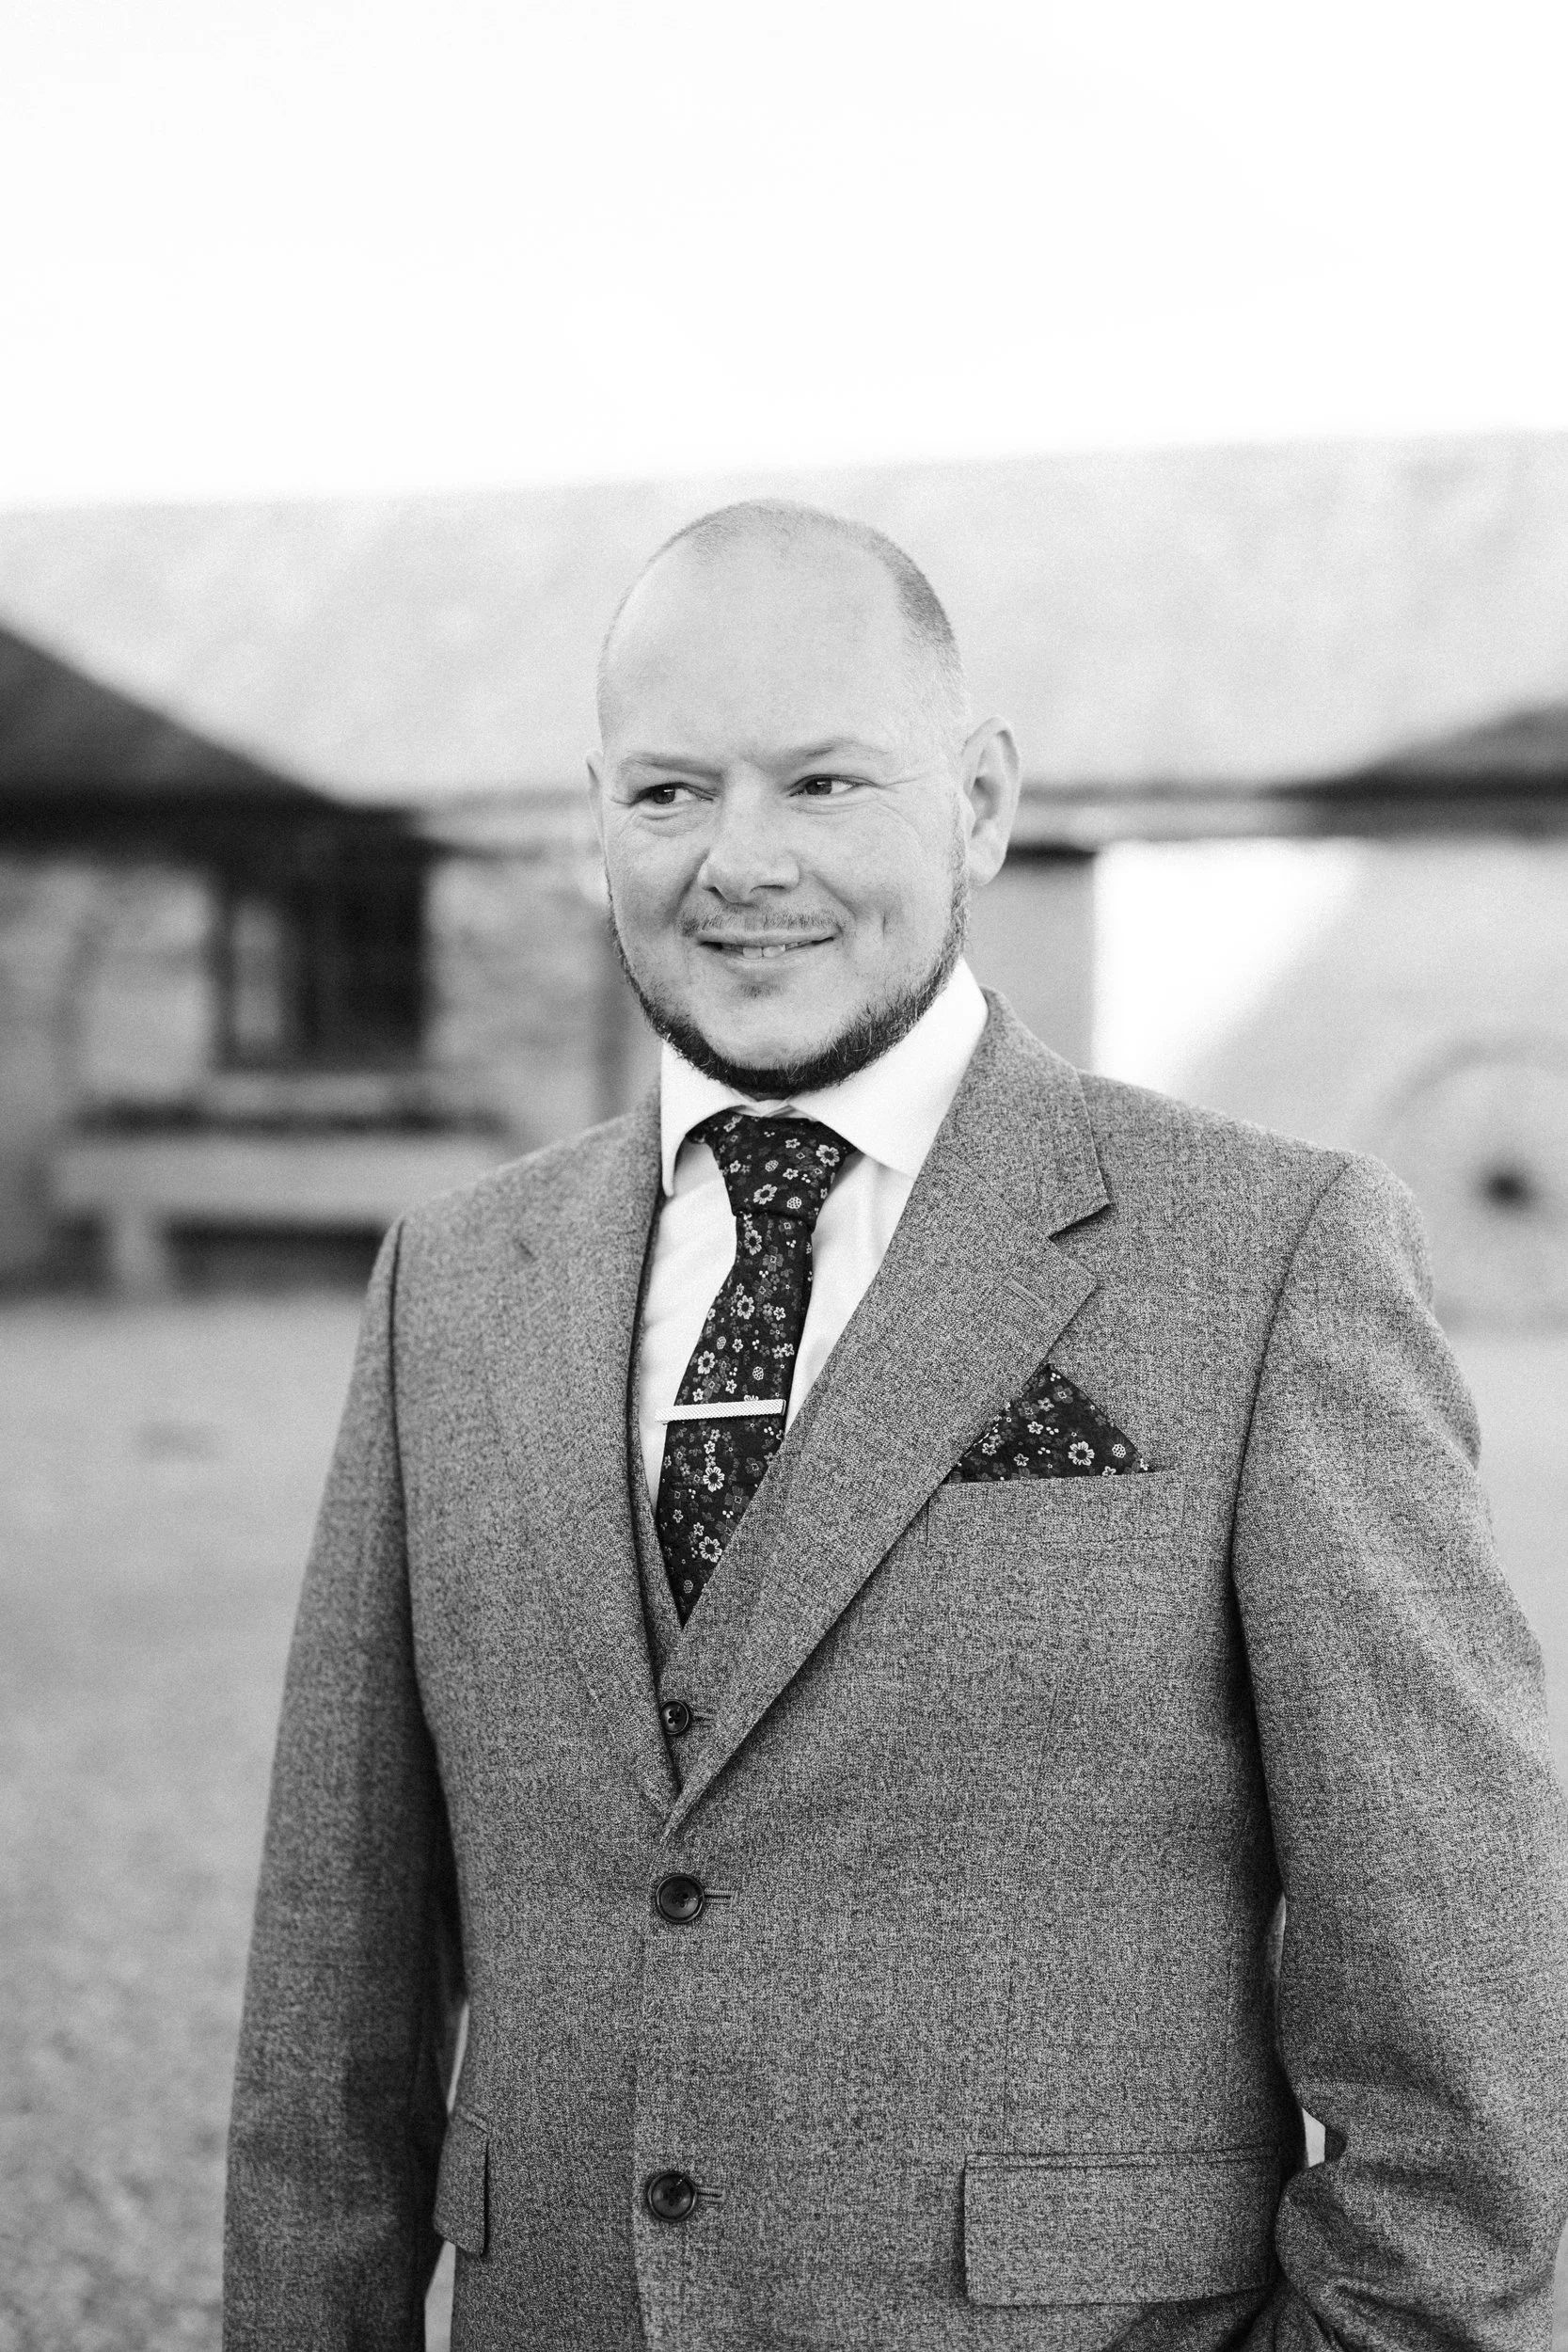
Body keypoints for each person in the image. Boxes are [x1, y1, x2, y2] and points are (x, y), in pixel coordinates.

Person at [224, 501, 1568, 2352]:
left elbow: (1457, 1975)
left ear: (982, 802)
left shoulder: (1271, 1254)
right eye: (667, 790)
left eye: (824, 781)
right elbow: (333, 1987)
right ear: (591, 816)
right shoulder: (452, 1281)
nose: (737, 860)